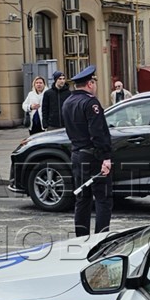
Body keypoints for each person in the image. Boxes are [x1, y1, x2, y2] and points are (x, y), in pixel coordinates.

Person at [62, 65, 113, 237]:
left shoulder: (68, 102)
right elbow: (97, 132)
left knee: (82, 199)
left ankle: (81, 238)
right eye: (94, 83)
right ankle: (100, 238)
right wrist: (106, 157)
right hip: (93, 157)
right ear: (90, 83)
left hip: (77, 155)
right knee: (103, 199)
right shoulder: (91, 103)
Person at [40, 71, 71, 136]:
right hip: (52, 125)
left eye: (63, 79)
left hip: (66, 124)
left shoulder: (69, 93)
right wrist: (45, 123)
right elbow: (45, 109)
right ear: (55, 80)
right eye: (60, 79)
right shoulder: (48, 93)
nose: (62, 81)